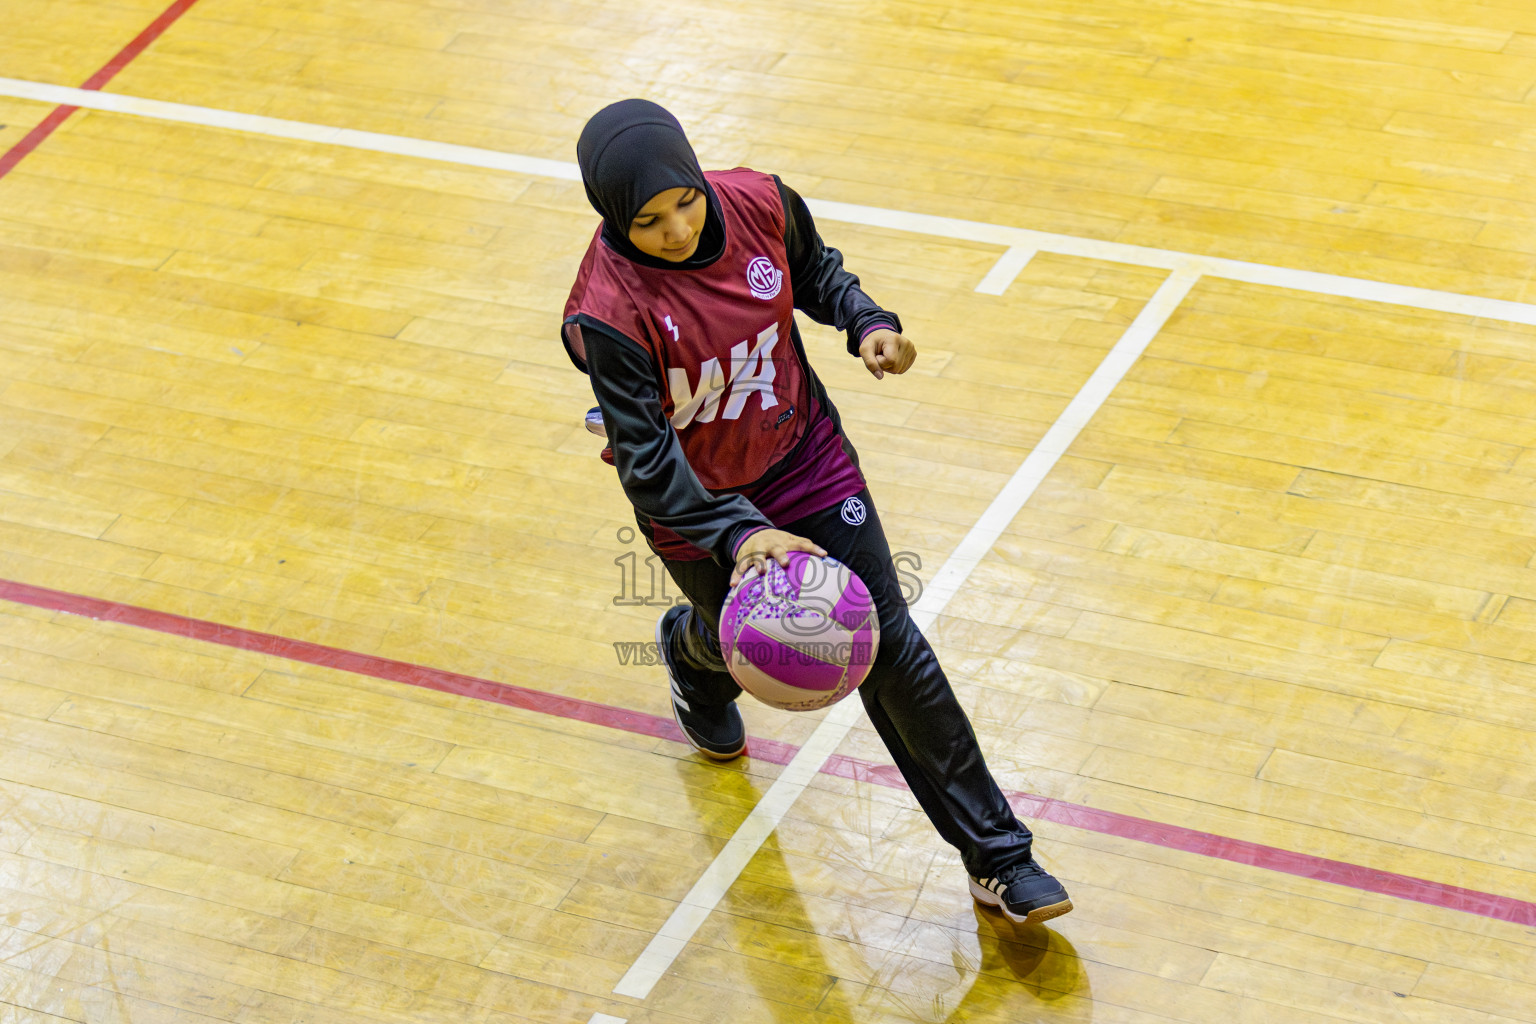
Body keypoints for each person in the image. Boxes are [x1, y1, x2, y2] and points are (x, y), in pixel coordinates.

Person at [559, 99, 1072, 926]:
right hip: (702, 505)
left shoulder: (760, 200)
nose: (679, 228)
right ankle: (694, 653)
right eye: (650, 221)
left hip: (807, 461)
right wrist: (740, 533)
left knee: (883, 641)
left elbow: (817, 271)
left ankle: (1000, 858)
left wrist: (866, 321)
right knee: (760, 643)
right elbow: (648, 467)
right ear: (613, 217)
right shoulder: (606, 311)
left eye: (686, 201)